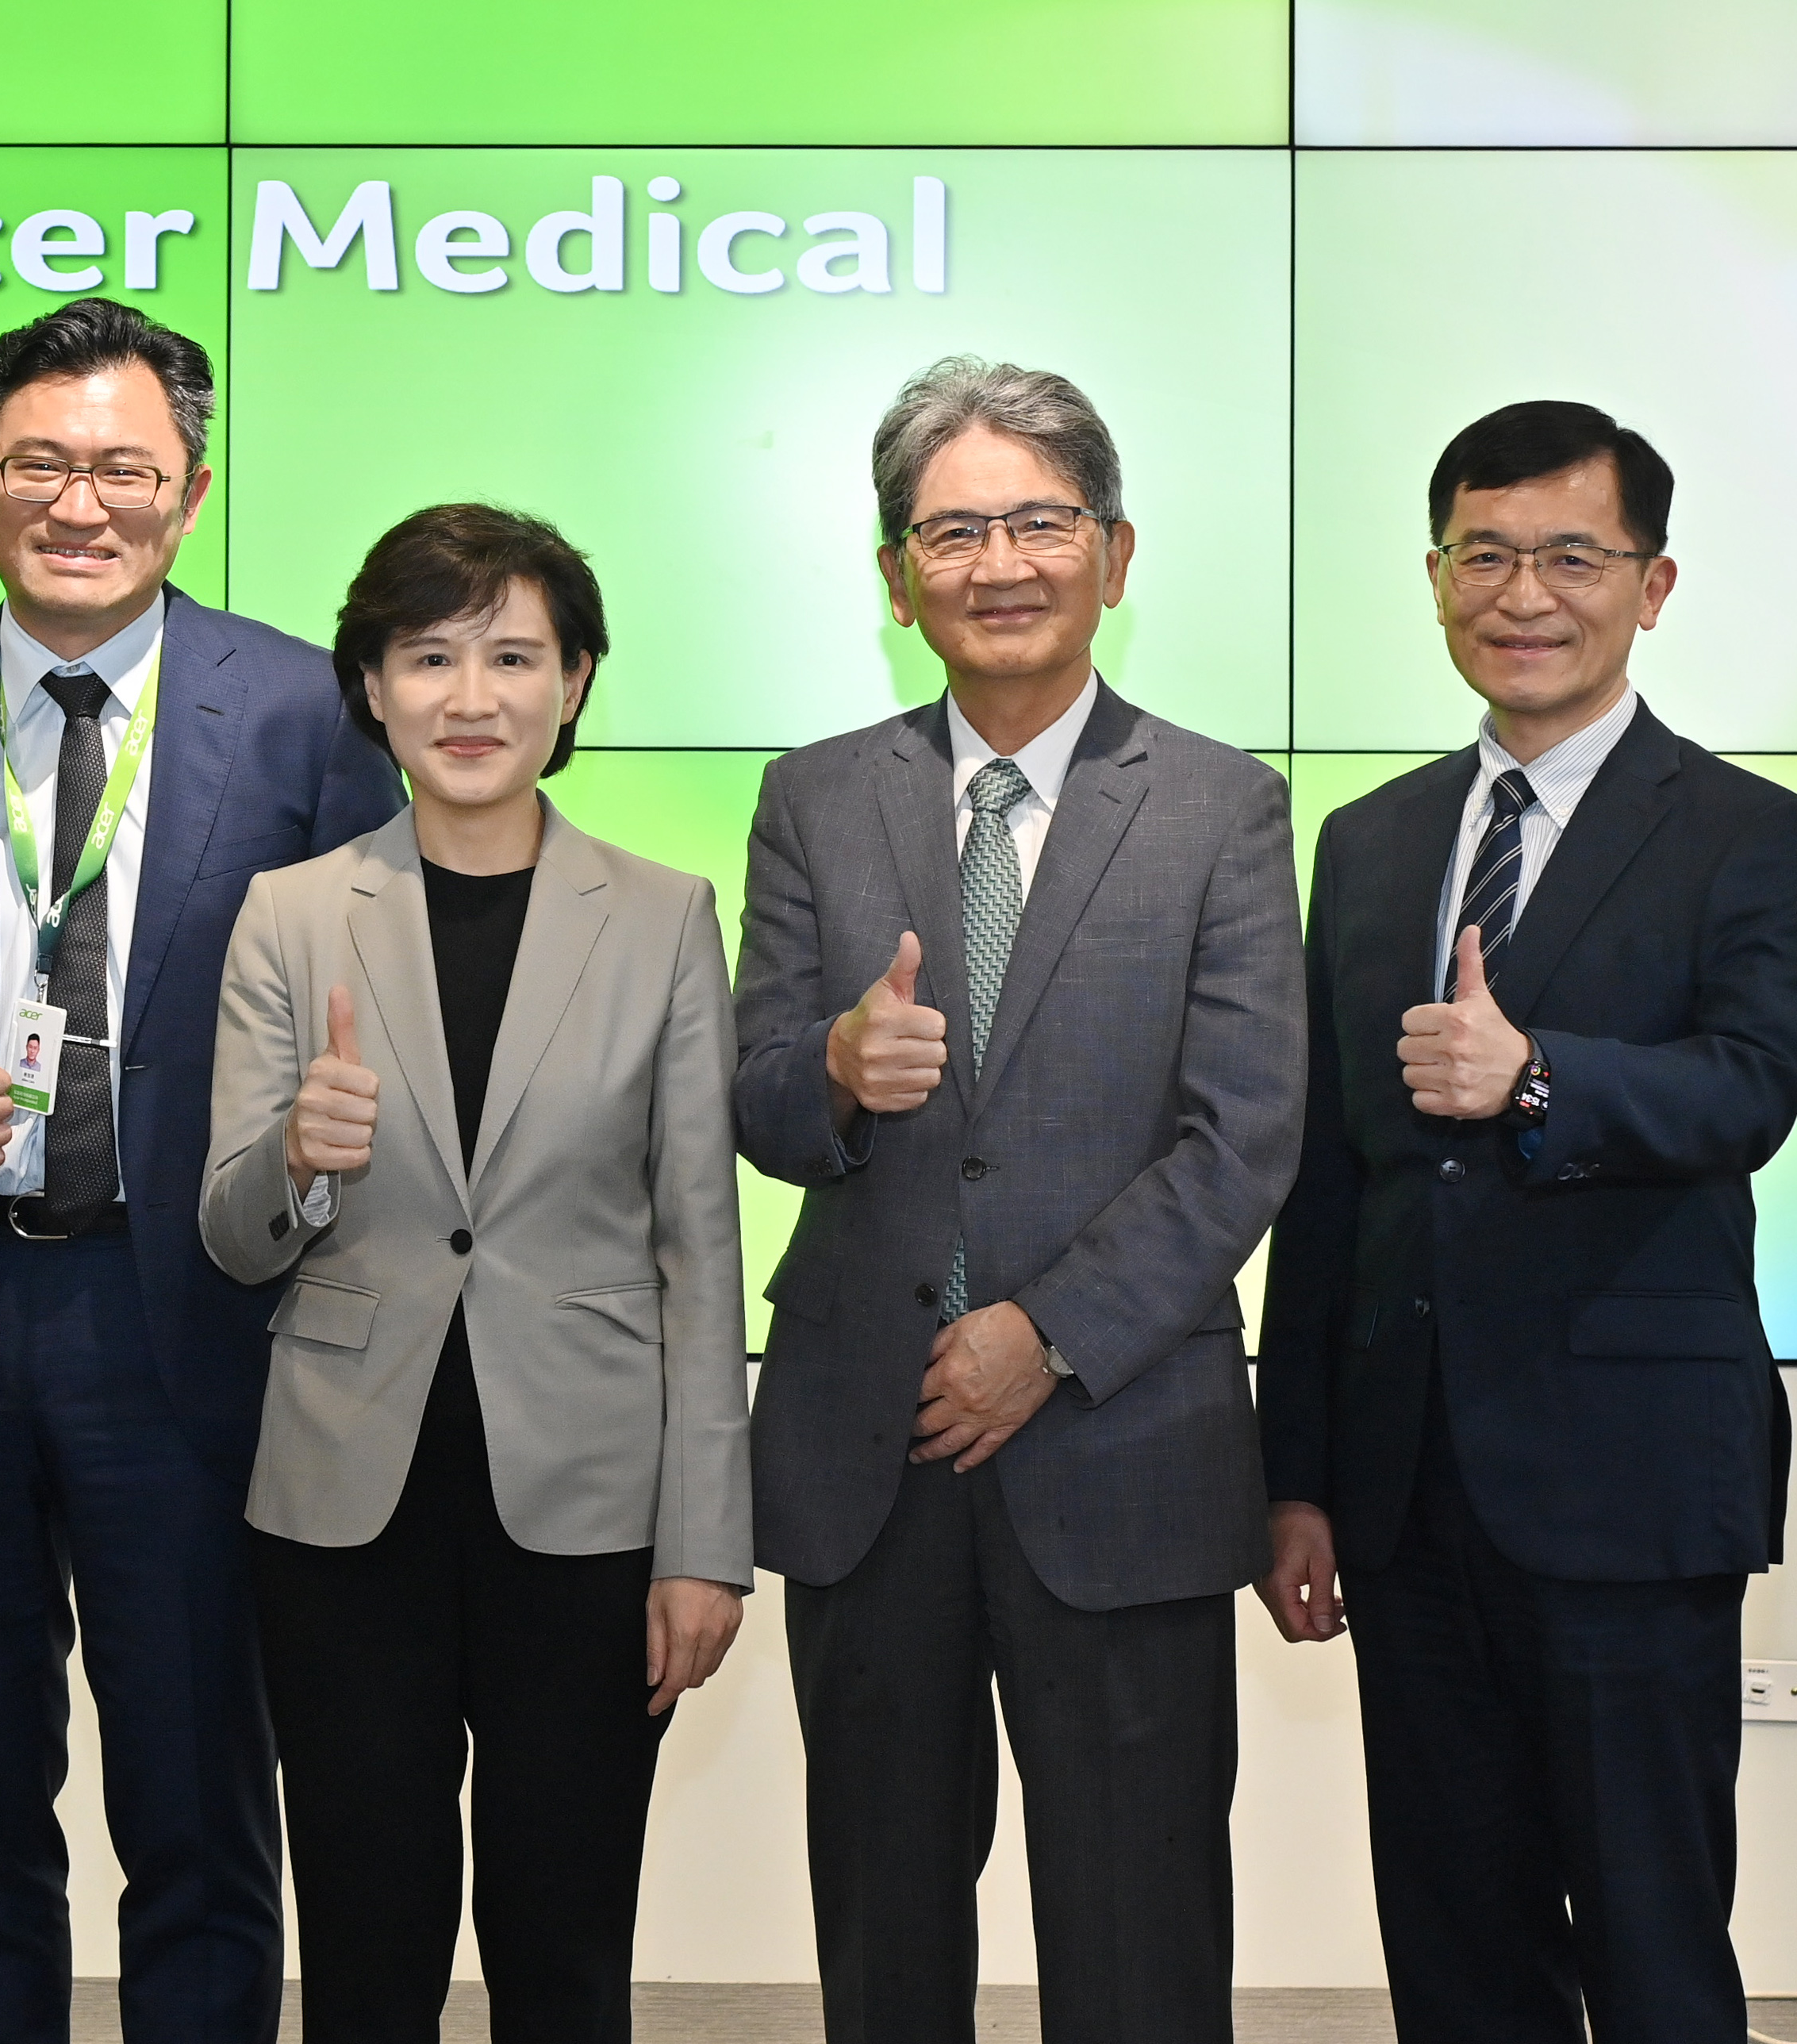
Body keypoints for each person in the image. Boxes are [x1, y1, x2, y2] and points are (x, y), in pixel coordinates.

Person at [0, 298, 401, 2043]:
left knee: (200, 1814)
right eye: (37, 463)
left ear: (190, 490)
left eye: (123, 468)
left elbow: (378, 1017)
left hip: (194, 1322)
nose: (77, 503)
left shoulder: (304, 713)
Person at [733, 358, 1304, 2044]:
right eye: (954, 531)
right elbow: (755, 1100)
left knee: (1139, 1948)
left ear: (1114, 555)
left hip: (1122, 1447)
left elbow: (1243, 1130)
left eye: (1042, 523)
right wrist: (835, 1068)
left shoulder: (1221, 803)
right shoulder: (814, 796)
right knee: (884, 1939)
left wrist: (1044, 1336)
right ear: (895, 575)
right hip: (869, 1451)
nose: (1000, 564)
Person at [1258, 401, 1797, 2041]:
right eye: (1484, 555)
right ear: (1435, 578)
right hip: (1406, 1498)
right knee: (1457, 1953)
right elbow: (1329, 1176)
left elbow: (1753, 1087)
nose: (1524, 594)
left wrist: (1539, 1074)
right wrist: (1297, 1478)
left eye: (1573, 556)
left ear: (1654, 584)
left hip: (1631, 1490)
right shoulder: (1368, 842)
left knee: (1653, 1946)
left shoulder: (1749, 833)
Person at [201, 505, 751, 2041]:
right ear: (371, 688)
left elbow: (698, 1246)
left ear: (573, 685)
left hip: (588, 1508)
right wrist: (299, 1155)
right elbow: (229, 1233)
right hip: (343, 1508)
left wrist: (707, 1541)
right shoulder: (292, 912)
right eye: (428, 657)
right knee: (365, 1950)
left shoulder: (663, 916)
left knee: (563, 1949)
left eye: (513, 657)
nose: (470, 697)